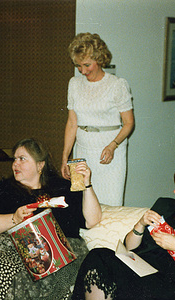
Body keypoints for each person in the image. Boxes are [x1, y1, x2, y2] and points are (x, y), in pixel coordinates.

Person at [72, 163, 175, 300]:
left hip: (173, 282)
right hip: (142, 267)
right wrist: (140, 225)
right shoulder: (165, 207)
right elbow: (129, 248)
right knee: (98, 254)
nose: (174, 191)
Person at [0, 138, 102, 300]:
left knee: (58, 276)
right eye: (14, 159)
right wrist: (14, 219)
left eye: (22, 159)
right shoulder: (2, 188)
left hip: (59, 252)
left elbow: (92, 220)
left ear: (40, 165)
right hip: (13, 248)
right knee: (4, 267)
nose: (15, 164)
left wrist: (87, 184)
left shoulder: (63, 188)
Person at [61, 32, 135, 206]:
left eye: (87, 65)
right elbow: (72, 123)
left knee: (110, 203)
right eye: (78, 66)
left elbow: (129, 123)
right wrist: (65, 157)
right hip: (83, 152)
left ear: (100, 59)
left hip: (109, 154)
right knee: (82, 204)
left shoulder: (117, 85)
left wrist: (113, 145)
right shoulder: (74, 84)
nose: (83, 71)